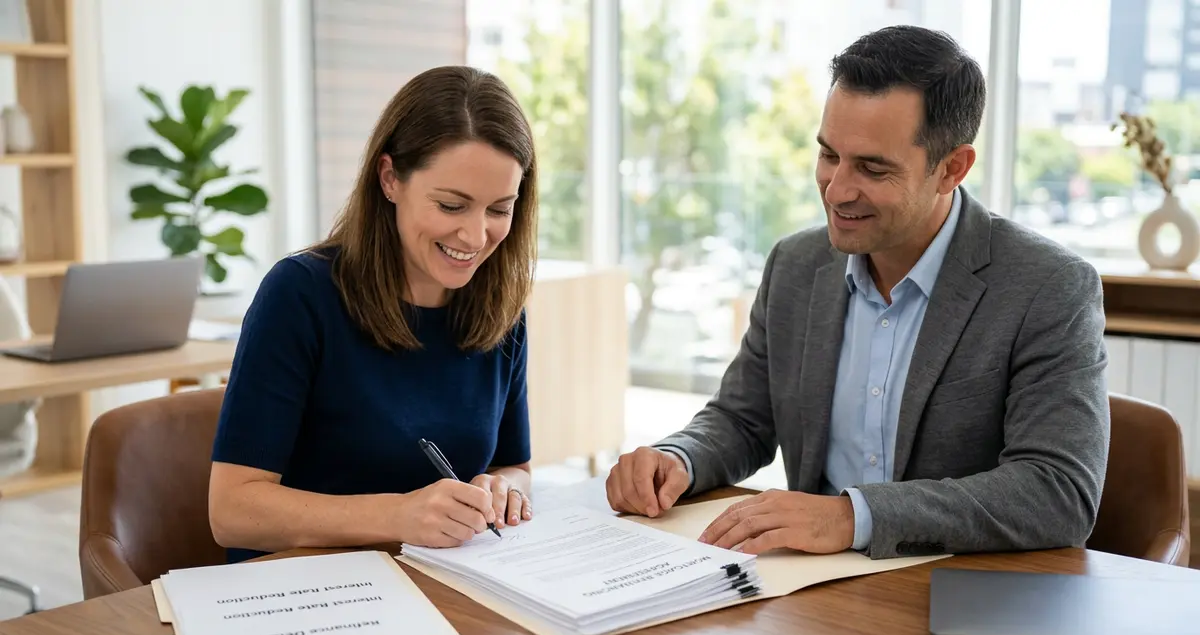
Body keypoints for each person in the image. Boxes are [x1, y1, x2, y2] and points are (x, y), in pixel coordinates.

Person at [605, 25, 1110, 560]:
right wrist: (678, 457)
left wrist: (853, 517)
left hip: (957, 594)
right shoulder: (795, 266)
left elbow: (1057, 491)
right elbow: (743, 419)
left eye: (872, 168)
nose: (838, 190)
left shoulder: (1049, 286)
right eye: (829, 156)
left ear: (952, 169)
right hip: (809, 592)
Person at [207, 65, 539, 563]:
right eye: (451, 206)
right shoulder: (300, 294)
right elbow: (231, 510)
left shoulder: (499, 305)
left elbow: (516, 466)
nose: (475, 237)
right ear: (390, 179)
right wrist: (397, 516)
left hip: (439, 582)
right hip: (304, 592)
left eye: (499, 209)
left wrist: (502, 488)